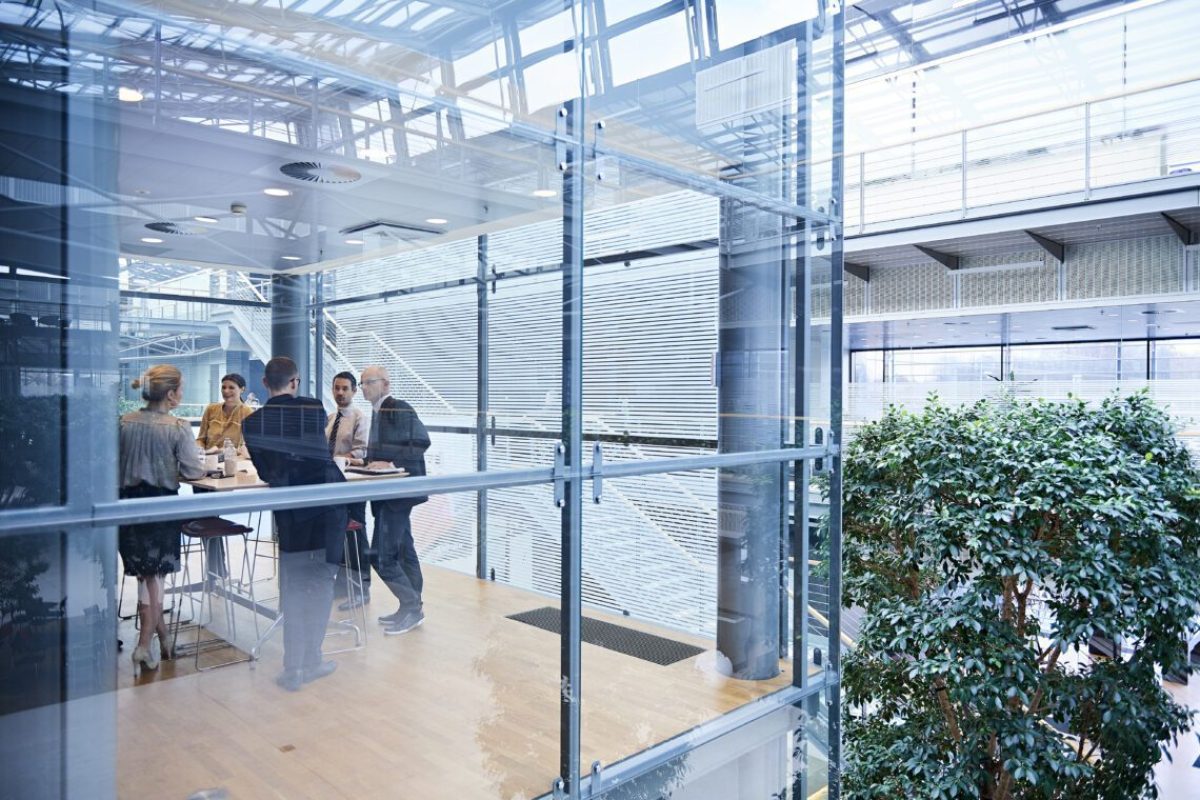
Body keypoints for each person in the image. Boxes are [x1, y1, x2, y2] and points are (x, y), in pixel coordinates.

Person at [243, 357, 348, 691]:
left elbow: (265, 471)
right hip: (326, 508)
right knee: (319, 584)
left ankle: (293, 668)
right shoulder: (313, 407)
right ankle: (311, 661)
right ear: (295, 381)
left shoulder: (252, 423)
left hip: (290, 512)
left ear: (263, 382)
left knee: (293, 583)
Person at [118, 364, 205, 675]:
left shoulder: (124, 422)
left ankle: (164, 639)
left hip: (126, 506)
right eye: (181, 388)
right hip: (159, 506)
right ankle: (143, 646)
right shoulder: (177, 427)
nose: (183, 394)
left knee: (147, 578)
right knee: (155, 579)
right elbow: (195, 472)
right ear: (171, 394)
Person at [359, 365, 430, 635]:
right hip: (390, 494)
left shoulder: (397, 407)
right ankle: (410, 608)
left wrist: (391, 462)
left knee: (381, 556)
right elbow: (383, 450)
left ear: (386, 384)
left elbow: (421, 441)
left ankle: (412, 607)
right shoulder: (378, 412)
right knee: (404, 551)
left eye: (369, 382)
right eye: (362, 382)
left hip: (398, 494)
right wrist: (365, 461)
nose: (364, 387)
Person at [325, 371, 370, 610]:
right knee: (338, 535)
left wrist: (340, 458)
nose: (340, 393)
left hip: (352, 486)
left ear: (353, 391)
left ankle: (362, 589)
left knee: (355, 536)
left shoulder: (360, 417)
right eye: (336, 388)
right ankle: (342, 587)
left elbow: (362, 451)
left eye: (345, 389)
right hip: (333, 485)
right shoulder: (331, 417)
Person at [196, 372, 254, 449]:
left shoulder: (248, 413)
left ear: (242, 389)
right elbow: (201, 439)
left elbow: (249, 447)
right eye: (223, 387)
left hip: (234, 459)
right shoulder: (211, 409)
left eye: (231, 387)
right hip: (209, 458)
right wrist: (199, 449)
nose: (226, 391)